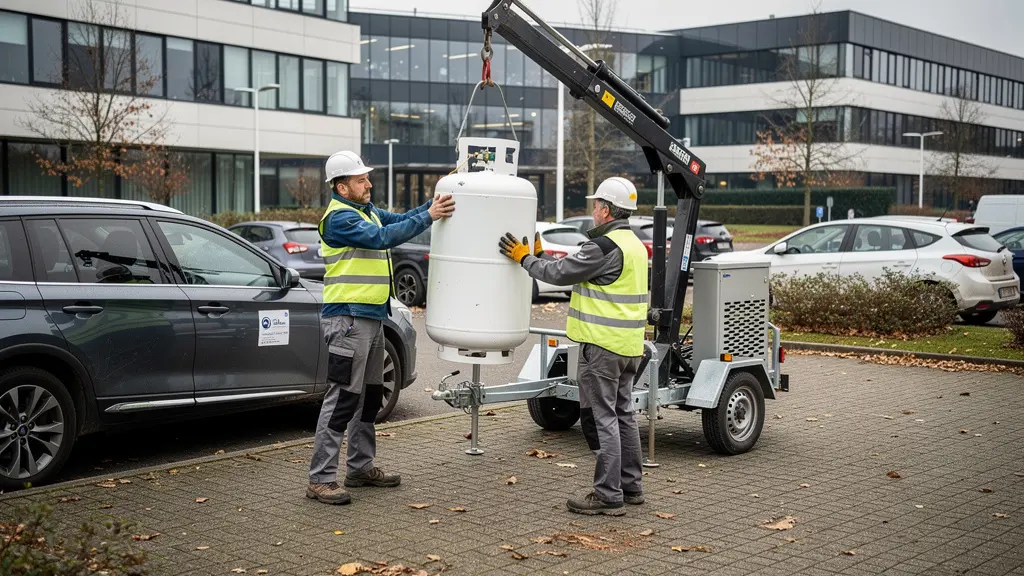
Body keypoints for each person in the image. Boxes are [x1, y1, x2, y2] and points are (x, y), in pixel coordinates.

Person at [307, 150, 455, 505]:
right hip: (347, 319)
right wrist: (431, 215)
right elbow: (384, 237)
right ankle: (320, 478)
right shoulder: (339, 219)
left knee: (369, 397)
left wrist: (432, 205)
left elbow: (402, 220)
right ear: (342, 186)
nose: (369, 183)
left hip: (372, 317)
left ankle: (359, 467)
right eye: (361, 180)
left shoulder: (366, 211)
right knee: (342, 397)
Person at [496, 177, 648, 516]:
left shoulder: (603, 246)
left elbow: (560, 274)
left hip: (602, 347)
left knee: (603, 417)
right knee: (624, 414)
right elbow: (578, 270)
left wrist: (525, 259)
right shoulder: (634, 245)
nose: (592, 209)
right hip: (629, 347)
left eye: (596, 205)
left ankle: (608, 494)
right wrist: (541, 255)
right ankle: (631, 486)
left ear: (606, 210)